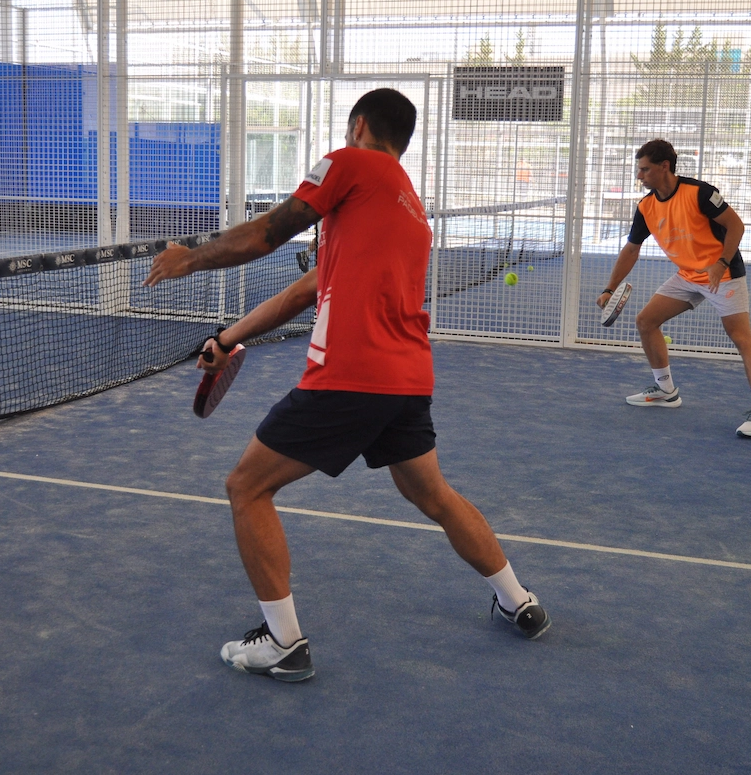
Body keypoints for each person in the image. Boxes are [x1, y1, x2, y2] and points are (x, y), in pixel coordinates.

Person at [144, 88, 549, 683]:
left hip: (349, 376)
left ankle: (282, 641)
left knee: (246, 488)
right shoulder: (405, 204)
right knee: (432, 495)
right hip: (406, 380)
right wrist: (227, 337)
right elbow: (304, 292)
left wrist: (191, 256)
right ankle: (518, 600)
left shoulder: (348, 164)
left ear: (359, 125)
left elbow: (268, 233)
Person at [598, 139, 751, 438]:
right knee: (646, 321)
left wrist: (721, 263)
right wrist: (609, 288)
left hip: (724, 275)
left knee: (741, 336)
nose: (639, 176)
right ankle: (666, 390)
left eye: (644, 170)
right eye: (638, 170)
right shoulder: (646, 207)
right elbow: (631, 249)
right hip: (687, 276)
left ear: (664, 166)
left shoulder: (700, 193)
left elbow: (736, 226)